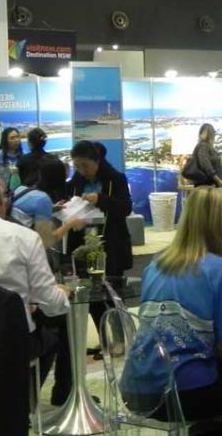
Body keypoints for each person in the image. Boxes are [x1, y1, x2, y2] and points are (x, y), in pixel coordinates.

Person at [128, 187, 222, 436]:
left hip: (137, 388)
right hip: (181, 395)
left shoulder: (155, 266)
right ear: (220, 224)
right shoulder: (220, 270)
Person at [0, 171, 72, 405]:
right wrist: (63, 293)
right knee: (55, 331)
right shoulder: (25, 238)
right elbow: (50, 301)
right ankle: (32, 400)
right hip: (14, 340)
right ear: (0, 198)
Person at [66, 141, 133, 330]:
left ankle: (119, 337)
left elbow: (125, 208)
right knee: (91, 297)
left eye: (85, 166)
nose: (82, 171)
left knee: (113, 296)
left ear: (97, 161)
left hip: (110, 245)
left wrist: (101, 199)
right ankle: (104, 335)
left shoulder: (116, 179)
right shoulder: (75, 182)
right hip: (83, 246)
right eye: (77, 166)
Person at [12, 157, 86, 248]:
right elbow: (46, 241)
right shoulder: (42, 199)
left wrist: (51, 209)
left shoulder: (20, 189)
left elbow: (28, 213)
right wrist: (70, 224)